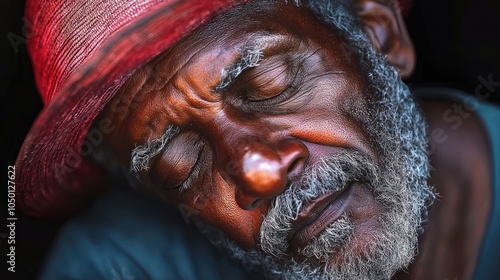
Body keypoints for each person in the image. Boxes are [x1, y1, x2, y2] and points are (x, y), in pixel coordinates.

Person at [14, 0, 499, 279]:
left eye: (269, 84)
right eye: (181, 167)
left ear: (378, 34)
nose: (258, 173)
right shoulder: (119, 265)